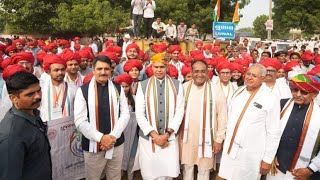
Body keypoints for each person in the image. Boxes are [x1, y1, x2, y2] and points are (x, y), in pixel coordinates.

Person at [218, 64, 282, 180]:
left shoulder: (270, 98)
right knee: (223, 176)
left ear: (262, 79)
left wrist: (267, 159)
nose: (249, 77)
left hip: (250, 155)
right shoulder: (239, 91)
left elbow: (274, 132)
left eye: (254, 76)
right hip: (230, 149)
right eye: (248, 74)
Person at [74, 56, 130, 180]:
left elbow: (125, 114)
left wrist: (112, 137)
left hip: (116, 143)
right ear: (93, 69)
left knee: (115, 176)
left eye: (106, 69)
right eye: (99, 68)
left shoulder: (118, 88)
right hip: (93, 145)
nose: (103, 72)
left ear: (111, 70)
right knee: (93, 177)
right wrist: (101, 138)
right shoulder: (83, 91)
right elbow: (80, 121)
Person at [134, 53, 184, 180]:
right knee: (150, 173)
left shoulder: (177, 85)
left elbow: (180, 111)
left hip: (169, 138)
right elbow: (139, 114)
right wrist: (155, 136)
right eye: (156, 67)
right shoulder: (142, 85)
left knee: (168, 173)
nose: (159, 70)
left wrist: (166, 135)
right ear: (151, 67)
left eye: (162, 67)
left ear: (167, 67)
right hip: (149, 138)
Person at [180, 60, 227, 180]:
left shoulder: (216, 90)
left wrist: (219, 139)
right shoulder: (184, 87)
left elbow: (222, 116)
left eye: (202, 71)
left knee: (204, 170)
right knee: (187, 168)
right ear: (191, 72)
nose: (199, 74)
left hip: (208, 138)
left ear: (207, 72)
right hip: (187, 137)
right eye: (196, 71)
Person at [0, 71, 52, 180]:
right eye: (30, 94)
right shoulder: (11, 135)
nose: (38, 96)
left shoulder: (34, 114)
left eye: (39, 91)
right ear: (13, 98)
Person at [267, 74, 320, 180]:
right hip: (275, 167)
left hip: (301, 173)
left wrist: (311, 169)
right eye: (295, 90)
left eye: (304, 92)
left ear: (314, 94)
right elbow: (267, 131)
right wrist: (269, 156)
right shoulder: (281, 104)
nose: (298, 94)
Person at [40, 54, 76, 122]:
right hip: (47, 128)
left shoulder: (73, 89)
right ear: (48, 72)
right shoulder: (42, 89)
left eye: (62, 70)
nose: (60, 72)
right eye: (56, 70)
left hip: (68, 127)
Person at [114, 74, 137, 180]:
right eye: (121, 86)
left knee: (132, 152)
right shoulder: (114, 99)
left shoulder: (135, 99)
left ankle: (130, 174)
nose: (124, 89)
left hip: (133, 132)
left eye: (126, 86)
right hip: (120, 132)